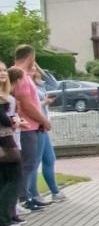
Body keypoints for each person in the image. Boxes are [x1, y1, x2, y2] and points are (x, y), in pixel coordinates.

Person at [10, 46, 51, 213]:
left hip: (32, 125)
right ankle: (23, 198)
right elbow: (26, 104)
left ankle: (27, 196)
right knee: (28, 164)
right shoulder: (19, 76)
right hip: (26, 127)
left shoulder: (25, 75)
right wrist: (43, 120)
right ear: (30, 56)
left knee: (31, 163)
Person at [28, 58, 63, 204]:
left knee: (49, 158)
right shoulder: (27, 86)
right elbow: (29, 106)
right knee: (34, 162)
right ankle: (33, 195)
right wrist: (44, 103)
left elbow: (54, 86)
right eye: (30, 68)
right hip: (36, 125)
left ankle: (55, 191)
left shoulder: (38, 85)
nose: (33, 70)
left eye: (34, 67)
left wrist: (40, 70)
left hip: (43, 125)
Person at [0, 69, 24, 226]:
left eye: (3, 70)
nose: (3, 73)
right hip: (4, 141)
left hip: (7, 139)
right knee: (14, 178)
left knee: (4, 180)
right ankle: (4, 217)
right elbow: (5, 120)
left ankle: (10, 214)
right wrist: (15, 121)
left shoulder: (5, 95)